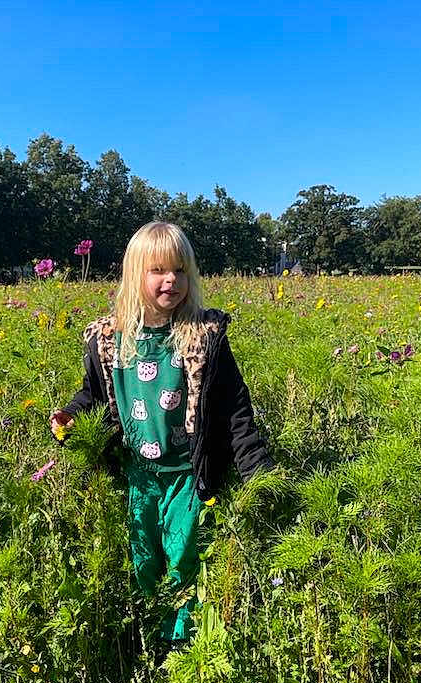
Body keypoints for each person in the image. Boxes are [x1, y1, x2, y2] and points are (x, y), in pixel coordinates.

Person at [50, 221, 273, 643]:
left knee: (184, 558)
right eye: (158, 270)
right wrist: (71, 418)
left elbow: (235, 410)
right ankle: (150, 637)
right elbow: (92, 396)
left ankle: (182, 645)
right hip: (138, 477)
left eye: (180, 270)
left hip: (188, 475)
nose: (171, 280)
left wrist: (260, 474)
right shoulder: (109, 341)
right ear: (135, 274)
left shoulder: (203, 337)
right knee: (144, 560)